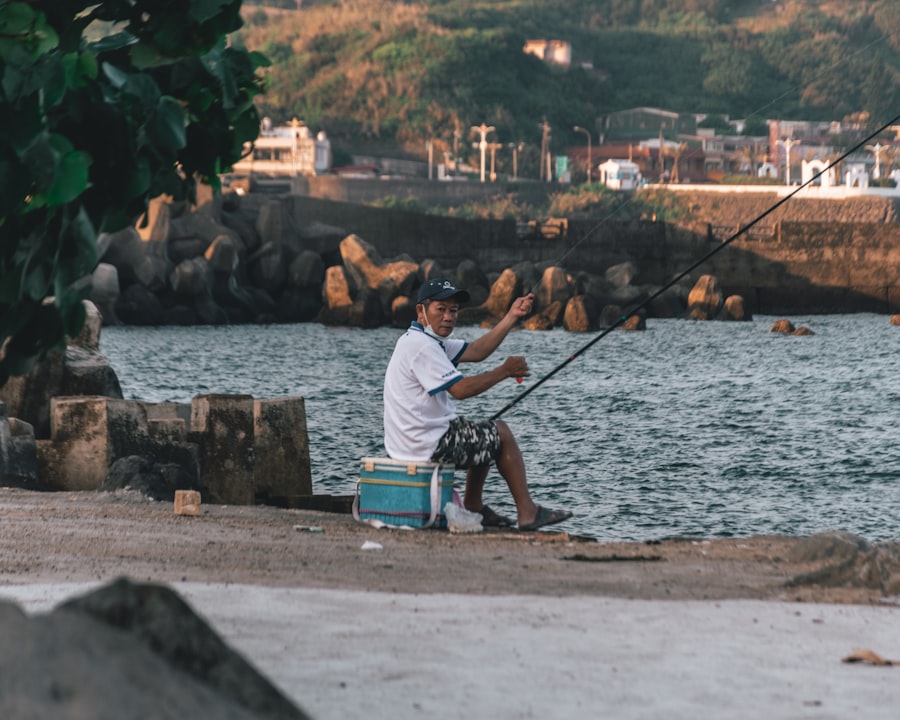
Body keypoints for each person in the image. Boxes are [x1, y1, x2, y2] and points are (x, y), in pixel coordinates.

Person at [383, 277, 572, 531]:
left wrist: (511, 316)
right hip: (427, 446)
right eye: (441, 310)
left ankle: (473, 504)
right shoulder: (422, 346)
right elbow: (460, 390)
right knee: (501, 432)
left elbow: (477, 350)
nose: (449, 317)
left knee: (479, 429)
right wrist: (504, 371)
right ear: (421, 311)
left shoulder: (423, 340)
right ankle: (528, 512)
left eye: (454, 311)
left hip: (410, 443)